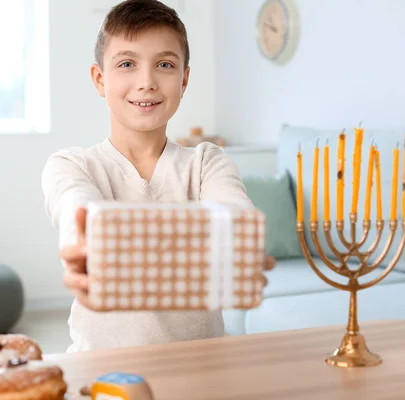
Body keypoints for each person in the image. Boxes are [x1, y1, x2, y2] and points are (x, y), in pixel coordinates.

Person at [42, 0, 275, 353]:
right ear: (100, 79)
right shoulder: (72, 164)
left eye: (164, 64)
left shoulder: (208, 162)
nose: (146, 82)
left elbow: (233, 215)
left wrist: (240, 241)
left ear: (184, 80)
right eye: (126, 64)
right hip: (102, 369)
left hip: (201, 367)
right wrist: (84, 245)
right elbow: (78, 213)